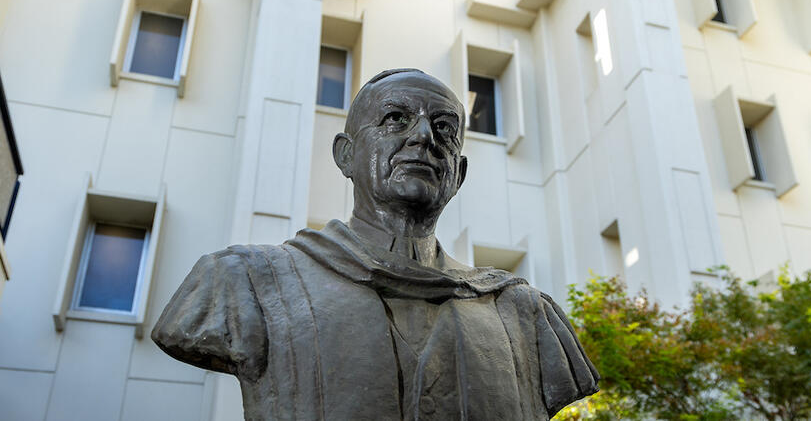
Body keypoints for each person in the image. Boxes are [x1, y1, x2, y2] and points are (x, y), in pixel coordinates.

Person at [152, 68, 598, 420]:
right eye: (395, 119)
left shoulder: (522, 313)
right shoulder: (245, 282)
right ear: (345, 155)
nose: (424, 137)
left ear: (458, 175)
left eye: (444, 128)